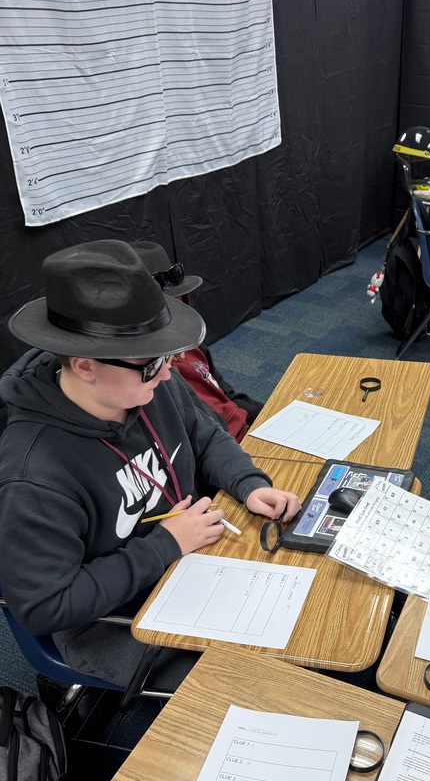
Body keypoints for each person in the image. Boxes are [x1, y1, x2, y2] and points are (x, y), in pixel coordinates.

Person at [0, 240, 301, 694]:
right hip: (115, 619)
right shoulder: (34, 475)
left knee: (308, 614)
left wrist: (247, 483)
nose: (166, 373)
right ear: (85, 366)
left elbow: (206, 436)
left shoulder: (147, 385)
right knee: (269, 687)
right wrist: (165, 545)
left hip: (191, 563)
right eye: (151, 364)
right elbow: (46, 606)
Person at [131, 240, 263, 442]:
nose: (179, 316)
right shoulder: (150, 378)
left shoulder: (192, 345)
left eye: (178, 302)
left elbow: (226, 395)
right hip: (226, 448)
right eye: (167, 308)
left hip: (245, 433)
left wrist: (271, 413)